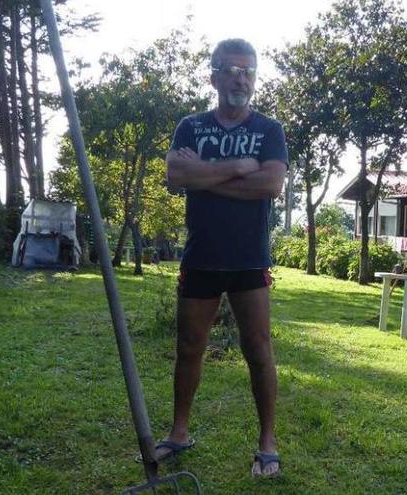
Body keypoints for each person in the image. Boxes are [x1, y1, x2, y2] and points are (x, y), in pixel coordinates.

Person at [159, 38, 288, 478]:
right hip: (202, 256)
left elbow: (270, 185)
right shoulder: (190, 127)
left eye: (248, 71)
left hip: (250, 257)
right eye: (231, 70)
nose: (240, 78)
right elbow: (176, 175)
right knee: (189, 347)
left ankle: (267, 441)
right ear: (213, 75)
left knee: (258, 348)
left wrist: (204, 178)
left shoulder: (270, 130)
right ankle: (179, 433)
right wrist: (237, 167)